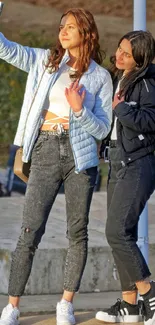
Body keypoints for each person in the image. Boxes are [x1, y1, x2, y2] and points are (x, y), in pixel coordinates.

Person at [0, 7, 112, 325]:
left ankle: (66, 303)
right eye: (61, 25)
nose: (63, 31)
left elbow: (102, 129)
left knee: (77, 233)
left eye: (71, 27)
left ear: (86, 33)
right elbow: (5, 48)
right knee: (29, 230)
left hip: (81, 158)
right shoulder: (45, 62)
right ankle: (12, 306)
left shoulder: (100, 77)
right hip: (47, 148)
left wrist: (79, 110)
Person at [96, 30, 155, 325]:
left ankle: (149, 293)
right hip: (116, 161)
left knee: (116, 232)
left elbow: (150, 121)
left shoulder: (147, 83)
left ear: (140, 59)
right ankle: (130, 306)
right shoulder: (114, 77)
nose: (119, 56)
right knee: (123, 234)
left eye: (127, 54)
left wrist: (121, 108)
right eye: (119, 48)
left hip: (139, 163)